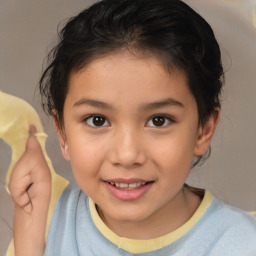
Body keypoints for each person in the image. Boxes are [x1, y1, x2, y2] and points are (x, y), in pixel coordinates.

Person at [8, 0, 256, 255]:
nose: (127, 155)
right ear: (62, 133)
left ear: (203, 130)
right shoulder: (49, 218)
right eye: (97, 120)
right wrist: (30, 226)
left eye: (159, 120)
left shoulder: (243, 244)